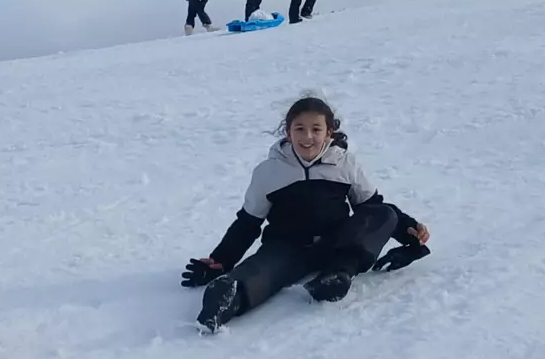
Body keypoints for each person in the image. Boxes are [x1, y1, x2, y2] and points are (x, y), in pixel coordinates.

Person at [181, 96, 431, 333]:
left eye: (316, 129)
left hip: (337, 244)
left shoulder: (345, 164)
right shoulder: (269, 172)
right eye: (299, 128)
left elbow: (372, 208)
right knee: (261, 272)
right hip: (286, 247)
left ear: (328, 133)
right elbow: (248, 222)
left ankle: (337, 275)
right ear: (288, 133)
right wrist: (221, 260)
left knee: (384, 213)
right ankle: (226, 299)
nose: (307, 136)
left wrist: (409, 230)